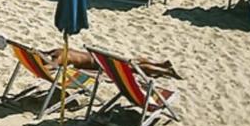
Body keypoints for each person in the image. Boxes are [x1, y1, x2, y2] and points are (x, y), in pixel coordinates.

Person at [40, 47, 180, 80]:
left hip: (98, 64)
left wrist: (39, 67)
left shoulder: (59, 56)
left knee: (132, 68)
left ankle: (165, 71)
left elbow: (49, 67)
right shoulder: (59, 49)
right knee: (130, 62)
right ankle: (161, 64)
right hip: (97, 56)